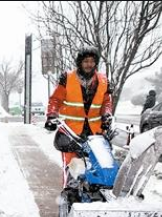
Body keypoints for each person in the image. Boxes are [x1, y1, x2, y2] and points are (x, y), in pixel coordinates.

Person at [44, 46, 113, 191]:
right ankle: (69, 198)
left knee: (100, 166)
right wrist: (51, 116)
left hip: (95, 132)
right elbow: (56, 100)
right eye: (86, 61)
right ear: (80, 62)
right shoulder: (67, 78)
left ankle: (97, 196)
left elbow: (106, 102)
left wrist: (106, 115)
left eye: (92, 61)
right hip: (72, 132)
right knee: (73, 167)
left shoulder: (103, 80)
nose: (89, 64)